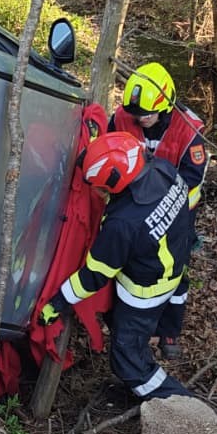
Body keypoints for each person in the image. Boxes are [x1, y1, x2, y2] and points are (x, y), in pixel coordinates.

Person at [40, 132, 195, 400]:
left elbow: (94, 275)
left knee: (127, 360)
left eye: (99, 187)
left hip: (143, 293)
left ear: (113, 182)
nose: (96, 192)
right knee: (128, 335)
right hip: (171, 265)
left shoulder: (124, 223)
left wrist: (58, 302)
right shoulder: (163, 170)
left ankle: (176, 403)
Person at [109, 63, 207, 361]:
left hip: (177, 213)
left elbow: (192, 177)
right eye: (137, 114)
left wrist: (157, 197)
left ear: (165, 106)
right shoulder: (122, 118)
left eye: (147, 115)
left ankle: (169, 331)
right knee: (128, 265)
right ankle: (125, 322)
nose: (141, 120)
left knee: (175, 272)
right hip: (130, 210)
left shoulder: (189, 129)